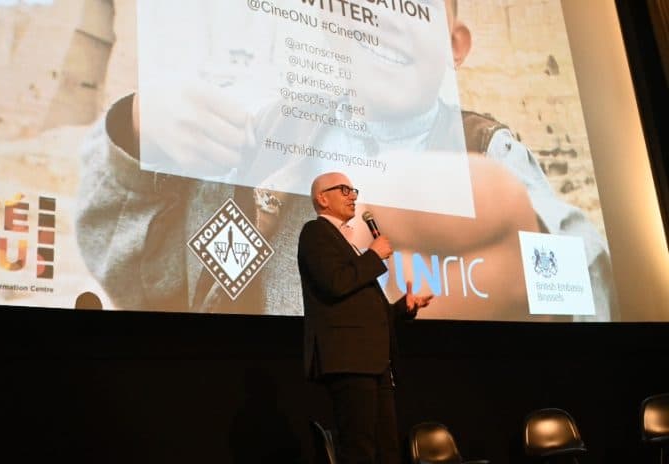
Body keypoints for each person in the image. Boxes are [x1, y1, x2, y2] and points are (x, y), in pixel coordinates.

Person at [76, 0, 615, 320]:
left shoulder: (486, 150)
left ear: (455, 46)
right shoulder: (271, 140)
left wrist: (531, 270)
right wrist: (136, 131)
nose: (383, 16)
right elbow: (150, 280)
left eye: (411, 4)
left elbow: (592, 271)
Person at [298, 171, 433, 464]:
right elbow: (334, 283)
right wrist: (373, 255)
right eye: (344, 190)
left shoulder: (347, 242)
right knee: (359, 448)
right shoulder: (315, 232)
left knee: (387, 449)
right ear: (323, 198)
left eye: (353, 190)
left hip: (374, 361)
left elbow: (361, 306)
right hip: (349, 359)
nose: (353, 196)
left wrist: (402, 308)